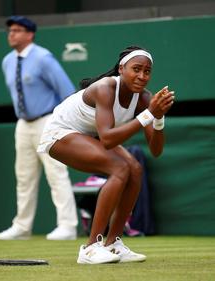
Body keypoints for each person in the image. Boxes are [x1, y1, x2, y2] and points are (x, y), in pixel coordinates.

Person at [37, 45, 175, 263]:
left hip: (91, 136)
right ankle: (90, 247)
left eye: (147, 71)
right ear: (121, 68)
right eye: (136, 69)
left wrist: (158, 118)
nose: (141, 76)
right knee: (119, 168)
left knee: (135, 170)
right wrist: (148, 114)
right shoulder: (105, 88)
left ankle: (113, 244)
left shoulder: (145, 98)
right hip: (60, 134)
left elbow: (156, 150)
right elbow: (109, 138)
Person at [0, 16, 78, 240]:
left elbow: (67, 91)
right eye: (10, 30)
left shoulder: (44, 58)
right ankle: (22, 227)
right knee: (24, 177)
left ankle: (68, 226)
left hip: (47, 121)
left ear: (30, 34)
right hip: (22, 124)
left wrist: (65, 124)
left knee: (56, 173)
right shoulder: (7, 61)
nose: (12, 34)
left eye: (18, 30)